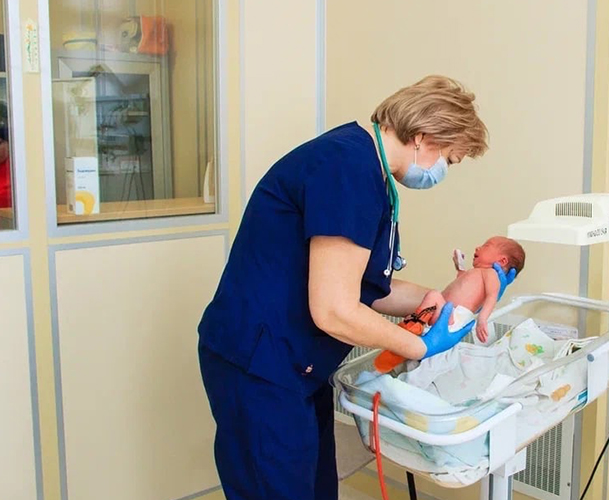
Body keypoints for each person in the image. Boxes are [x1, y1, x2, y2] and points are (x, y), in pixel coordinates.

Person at [196, 75, 517, 500]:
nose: (443, 172)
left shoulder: (367, 169)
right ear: (424, 138)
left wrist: (444, 301)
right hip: (259, 365)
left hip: (295, 365)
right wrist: (419, 346)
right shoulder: (347, 168)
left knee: (314, 489)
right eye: (450, 160)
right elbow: (334, 309)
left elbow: (368, 288)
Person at [373, 236, 526, 373]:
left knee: (434, 295)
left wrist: (482, 319)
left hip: (454, 317)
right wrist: (459, 267)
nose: (477, 248)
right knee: (432, 299)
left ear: (502, 261)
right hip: (446, 313)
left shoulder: (490, 274)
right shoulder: (476, 272)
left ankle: (414, 324)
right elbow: (461, 282)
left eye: (486, 245)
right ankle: (412, 331)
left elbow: (492, 296)